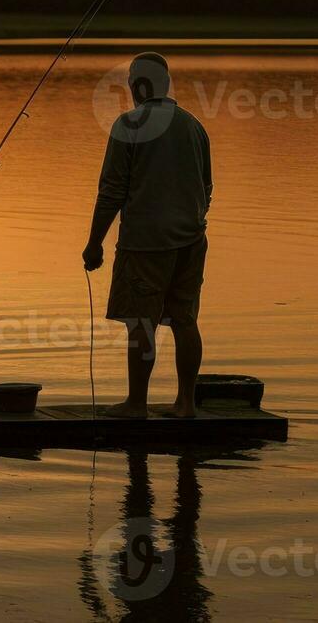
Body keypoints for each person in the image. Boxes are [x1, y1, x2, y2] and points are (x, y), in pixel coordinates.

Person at [83, 53, 213, 419]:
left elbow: (111, 192)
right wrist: (192, 221)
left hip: (144, 243)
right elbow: (207, 187)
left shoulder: (129, 125)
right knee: (185, 320)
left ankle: (136, 403)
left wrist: (95, 243)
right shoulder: (194, 126)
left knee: (141, 322)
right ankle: (185, 403)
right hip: (191, 239)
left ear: (138, 86)